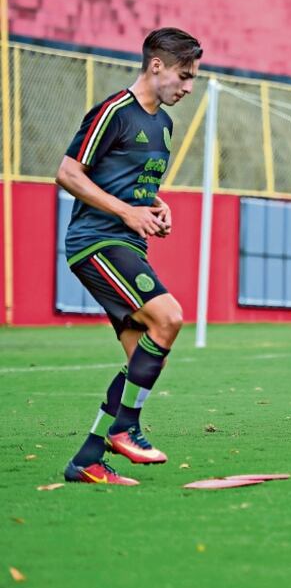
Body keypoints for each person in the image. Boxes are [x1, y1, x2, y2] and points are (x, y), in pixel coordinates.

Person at [55, 27, 202, 484]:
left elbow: (136, 186)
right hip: (96, 242)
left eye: (193, 78)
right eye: (184, 75)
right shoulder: (114, 111)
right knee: (169, 317)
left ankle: (86, 460)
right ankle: (126, 429)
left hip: (126, 243)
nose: (188, 87)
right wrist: (126, 212)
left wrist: (156, 207)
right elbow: (67, 172)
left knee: (142, 353)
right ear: (156, 65)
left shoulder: (164, 124)